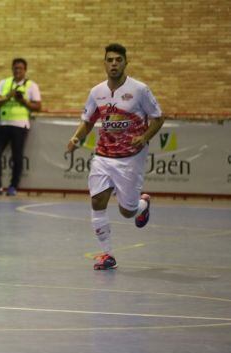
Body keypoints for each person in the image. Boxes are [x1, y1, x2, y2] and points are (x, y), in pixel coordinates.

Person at [66, 43, 164, 271]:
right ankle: (107, 254)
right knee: (97, 200)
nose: (114, 64)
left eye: (118, 60)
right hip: (103, 155)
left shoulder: (140, 90)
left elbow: (158, 118)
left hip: (131, 157)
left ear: (125, 63)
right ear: (104, 64)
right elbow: (88, 121)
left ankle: (142, 205)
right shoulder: (96, 92)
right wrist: (75, 139)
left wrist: (144, 137)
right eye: (109, 60)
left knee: (126, 210)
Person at [0, 58, 41, 196]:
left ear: (25, 70)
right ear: (12, 69)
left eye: (20, 68)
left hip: (20, 125)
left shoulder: (31, 85)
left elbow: (38, 106)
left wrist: (24, 101)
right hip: (3, 124)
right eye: (15, 68)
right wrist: (8, 97)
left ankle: (13, 186)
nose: (17, 70)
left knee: (17, 157)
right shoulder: (4, 83)